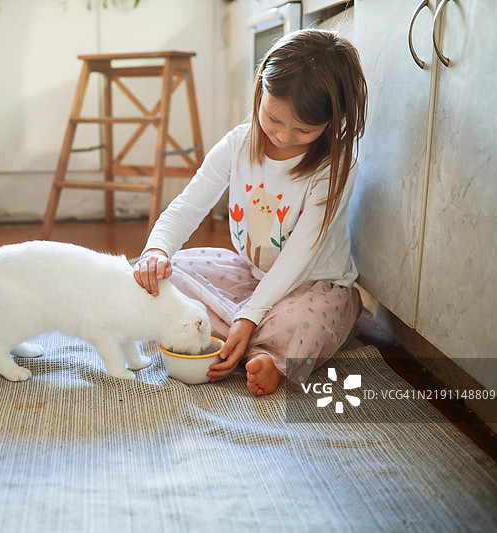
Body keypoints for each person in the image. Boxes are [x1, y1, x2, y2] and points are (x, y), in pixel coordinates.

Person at [133, 29, 368, 396]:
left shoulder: (335, 166)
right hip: (251, 275)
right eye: (274, 119)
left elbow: (299, 257)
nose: (284, 136)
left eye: (304, 129)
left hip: (313, 287)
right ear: (261, 91)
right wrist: (156, 250)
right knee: (160, 275)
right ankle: (249, 343)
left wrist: (248, 317)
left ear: (331, 122)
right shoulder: (238, 144)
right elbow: (190, 204)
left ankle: (265, 356)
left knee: (299, 323)